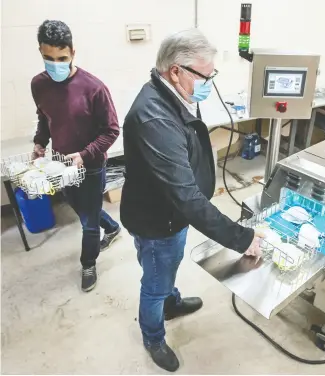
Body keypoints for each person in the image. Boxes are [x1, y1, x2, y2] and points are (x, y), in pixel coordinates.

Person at [120, 29, 264, 372]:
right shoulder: (153, 116)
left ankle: (171, 302)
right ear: (176, 71)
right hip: (157, 221)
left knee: (166, 268)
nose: (209, 82)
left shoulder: (169, 94)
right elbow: (184, 196)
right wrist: (242, 238)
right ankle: (153, 336)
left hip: (170, 214)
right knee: (155, 280)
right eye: (205, 75)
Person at [31, 20, 121, 292]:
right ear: (40, 51)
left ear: (73, 52)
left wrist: (85, 154)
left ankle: (88, 264)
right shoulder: (38, 85)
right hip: (60, 165)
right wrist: (39, 143)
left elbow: (112, 131)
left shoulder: (94, 88)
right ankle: (114, 227)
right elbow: (45, 119)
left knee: (88, 224)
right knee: (83, 211)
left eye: (62, 58)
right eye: (48, 58)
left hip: (91, 166)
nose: (55, 63)